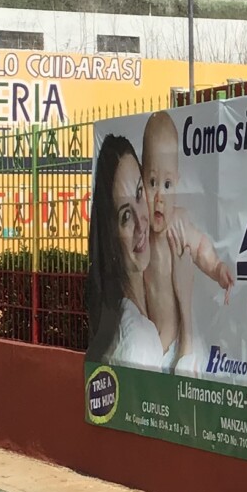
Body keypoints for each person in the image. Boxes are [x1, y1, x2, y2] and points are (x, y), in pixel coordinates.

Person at [141, 110, 235, 367]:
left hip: (179, 340)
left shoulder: (178, 222)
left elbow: (201, 245)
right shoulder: (140, 232)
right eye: (152, 182)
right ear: (141, 181)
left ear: (178, 184)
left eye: (167, 184)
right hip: (152, 341)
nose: (160, 195)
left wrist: (217, 268)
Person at [85, 135, 164, 368]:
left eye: (139, 194)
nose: (141, 224)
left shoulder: (120, 316)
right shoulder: (138, 338)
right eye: (125, 216)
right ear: (111, 235)